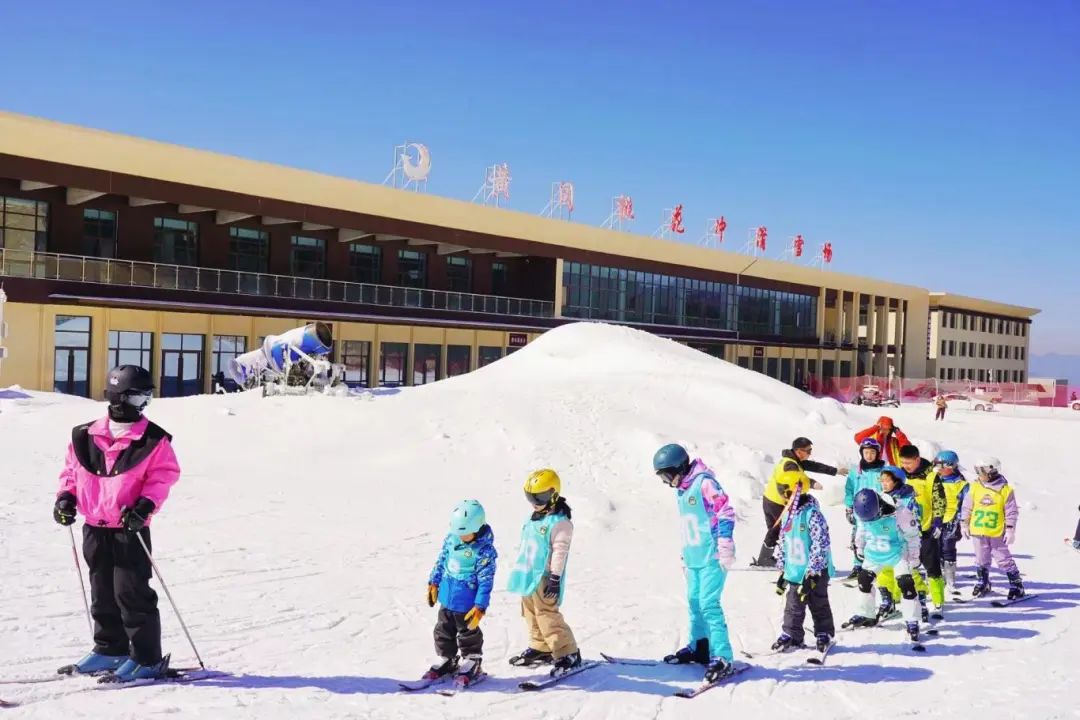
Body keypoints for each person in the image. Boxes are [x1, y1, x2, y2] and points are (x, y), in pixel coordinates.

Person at [52, 365, 181, 683]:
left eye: (148, 396)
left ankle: (146, 658)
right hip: (95, 527)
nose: (145, 402)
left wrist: (146, 506)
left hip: (129, 529)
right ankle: (110, 648)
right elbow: (71, 471)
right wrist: (65, 498)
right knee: (102, 592)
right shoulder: (84, 435)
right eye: (140, 396)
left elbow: (163, 476)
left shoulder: (153, 439)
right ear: (119, 396)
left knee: (132, 593)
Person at [653, 444, 737, 683]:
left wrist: (725, 543)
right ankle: (700, 647)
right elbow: (691, 525)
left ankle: (722, 656)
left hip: (712, 555)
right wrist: (685, 553)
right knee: (694, 603)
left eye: (666, 475)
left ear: (679, 467)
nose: (666, 481)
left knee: (709, 604)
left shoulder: (704, 483)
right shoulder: (682, 490)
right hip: (694, 558)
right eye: (662, 478)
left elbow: (725, 511)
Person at [506, 469, 581, 675]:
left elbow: (560, 552)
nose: (535, 502)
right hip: (529, 574)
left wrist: (555, 578)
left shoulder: (560, 522)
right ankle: (541, 647)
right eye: (531, 497)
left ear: (553, 494)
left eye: (540, 497)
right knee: (529, 611)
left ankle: (568, 652)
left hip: (546, 576)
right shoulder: (535, 517)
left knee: (547, 613)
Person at [424, 500, 497, 686]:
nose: (461, 536)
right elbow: (441, 561)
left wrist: (480, 606)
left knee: (468, 633)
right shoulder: (452, 539)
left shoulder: (484, 551)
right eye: (459, 532)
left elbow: (486, 580)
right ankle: (447, 658)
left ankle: (472, 660)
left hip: (467, 602)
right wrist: (434, 582)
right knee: (443, 630)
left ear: (478, 528)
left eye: (465, 533)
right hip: (448, 597)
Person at [753, 437, 844, 568]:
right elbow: (797, 480)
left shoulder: (795, 460)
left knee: (776, 529)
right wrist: (812, 483)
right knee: (779, 529)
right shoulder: (789, 465)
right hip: (776, 502)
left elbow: (814, 466)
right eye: (808, 451)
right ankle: (768, 559)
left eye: (810, 450)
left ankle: (767, 558)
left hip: (772, 500)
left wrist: (834, 471)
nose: (810, 453)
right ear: (799, 451)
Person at [848, 487, 923, 642]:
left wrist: (914, 555)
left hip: (897, 554)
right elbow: (861, 531)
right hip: (874, 554)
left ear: (879, 507)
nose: (868, 521)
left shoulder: (900, 513)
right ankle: (867, 614)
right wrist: (859, 547)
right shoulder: (863, 513)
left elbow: (912, 535)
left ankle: (912, 620)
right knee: (864, 580)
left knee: (906, 584)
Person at [772, 484, 835, 652]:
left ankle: (824, 633)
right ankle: (792, 635)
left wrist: (813, 571)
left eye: (789, 494)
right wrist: (783, 570)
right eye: (784, 496)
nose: (787, 499)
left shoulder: (812, 514)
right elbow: (784, 544)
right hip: (795, 570)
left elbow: (820, 543)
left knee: (818, 601)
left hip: (816, 571)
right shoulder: (787, 516)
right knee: (793, 604)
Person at [959, 458, 1024, 599]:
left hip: (996, 532)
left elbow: (1011, 511)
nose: (979, 474)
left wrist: (1010, 529)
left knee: (1003, 558)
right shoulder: (975, 486)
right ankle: (983, 581)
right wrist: (964, 523)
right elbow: (967, 507)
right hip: (978, 530)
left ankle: (1016, 584)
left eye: (982, 471)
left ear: (992, 471)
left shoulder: (1005, 490)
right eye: (977, 471)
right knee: (981, 558)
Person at [874, 466, 929, 620]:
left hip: (904, 541)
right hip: (887, 539)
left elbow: (915, 521)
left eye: (887, 480)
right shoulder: (880, 497)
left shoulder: (908, 499)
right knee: (885, 571)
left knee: (909, 572)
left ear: (897, 481)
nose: (884, 484)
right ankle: (888, 600)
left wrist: (914, 544)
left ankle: (920, 600)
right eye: (882, 480)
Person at [898, 444, 946, 618]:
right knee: (909, 566)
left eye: (909, 463)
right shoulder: (900, 476)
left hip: (926, 529)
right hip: (905, 530)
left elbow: (939, 500)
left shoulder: (931, 476)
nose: (905, 466)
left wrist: (938, 522)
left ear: (917, 459)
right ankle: (920, 594)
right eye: (903, 462)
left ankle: (938, 600)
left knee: (932, 565)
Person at [842, 438, 886, 581]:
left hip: (878, 512)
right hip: (859, 512)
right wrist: (849, 507)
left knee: (877, 538)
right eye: (866, 452)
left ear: (877, 453)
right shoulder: (856, 472)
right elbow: (849, 490)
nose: (869, 456)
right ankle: (857, 567)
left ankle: (878, 567)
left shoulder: (883, 471)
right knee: (858, 539)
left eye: (872, 452)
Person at [933, 451, 968, 595]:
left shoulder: (961, 484)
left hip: (951, 519)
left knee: (948, 548)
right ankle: (937, 576)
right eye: (936, 465)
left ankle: (950, 580)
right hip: (935, 518)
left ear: (951, 466)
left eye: (941, 465)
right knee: (935, 548)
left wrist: (963, 521)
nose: (938, 468)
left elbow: (966, 504)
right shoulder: (934, 479)